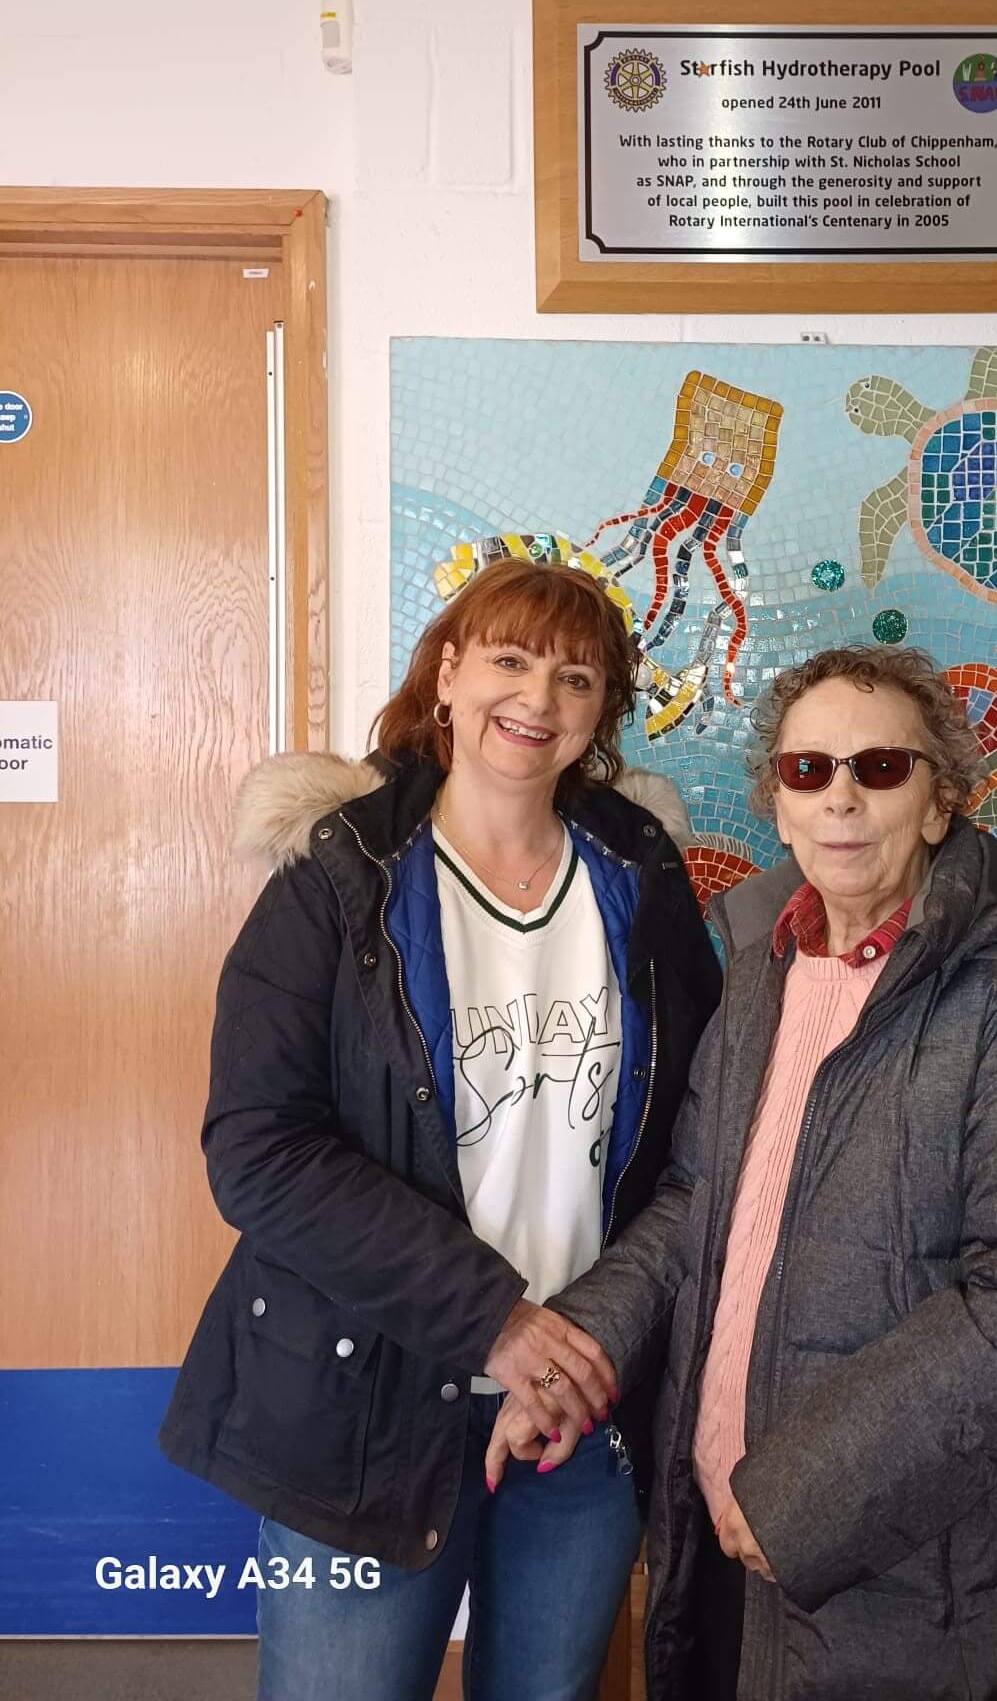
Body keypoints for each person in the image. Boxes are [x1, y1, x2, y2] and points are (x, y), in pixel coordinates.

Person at [490, 644, 997, 1700]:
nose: (841, 795)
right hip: (729, 1554)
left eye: (880, 768)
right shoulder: (764, 972)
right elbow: (697, 1203)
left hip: (915, 1580)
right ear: (778, 809)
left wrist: (803, 1495)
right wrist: (576, 1353)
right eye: (809, 771)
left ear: (940, 804)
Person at [159, 557, 721, 1701]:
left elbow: (696, 1137)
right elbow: (259, 1149)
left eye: (577, 676)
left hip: (578, 1408)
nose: (539, 698)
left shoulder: (639, 875)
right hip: (366, 1399)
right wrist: (493, 1319)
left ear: (600, 710)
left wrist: (583, 1342)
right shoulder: (338, 876)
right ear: (451, 674)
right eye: (510, 660)